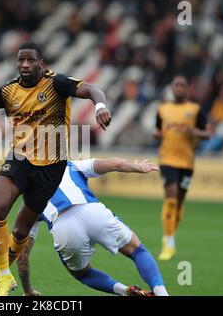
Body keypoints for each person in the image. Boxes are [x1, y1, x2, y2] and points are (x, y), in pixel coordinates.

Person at [0, 42, 112, 296]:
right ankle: (6, 275)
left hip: (51, 167)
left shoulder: (57, 84)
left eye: (30, 60)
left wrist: (100, 106)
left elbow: (93, 90)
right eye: (21, 60)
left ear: (41, 64)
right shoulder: (8, 91)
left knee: (21, 231)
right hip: (19, 160)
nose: (24, 65)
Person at [16, 157, 169, 296]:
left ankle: (124, 291)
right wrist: (139, 168)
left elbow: (22, 256)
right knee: (137, 251)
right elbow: (114, 163)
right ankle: (162, 293)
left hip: (64, 227)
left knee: (83, 274)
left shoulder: (29, 201)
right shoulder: (71, 165)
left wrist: (28, 290)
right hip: (91, 211)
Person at [154, 75, 211, 260]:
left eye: (182, 85)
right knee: (170, 198)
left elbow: (207, 133)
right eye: (176, 85)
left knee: (179, 202)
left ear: (187, 89)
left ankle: (168, 236)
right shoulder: (163, 109)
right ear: (172, 88)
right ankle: (169, 243)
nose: (179, 88)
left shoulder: (195, 110)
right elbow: (158, 130)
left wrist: (194, 131)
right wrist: (156, 134)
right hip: (167, 160)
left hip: (187, 162)